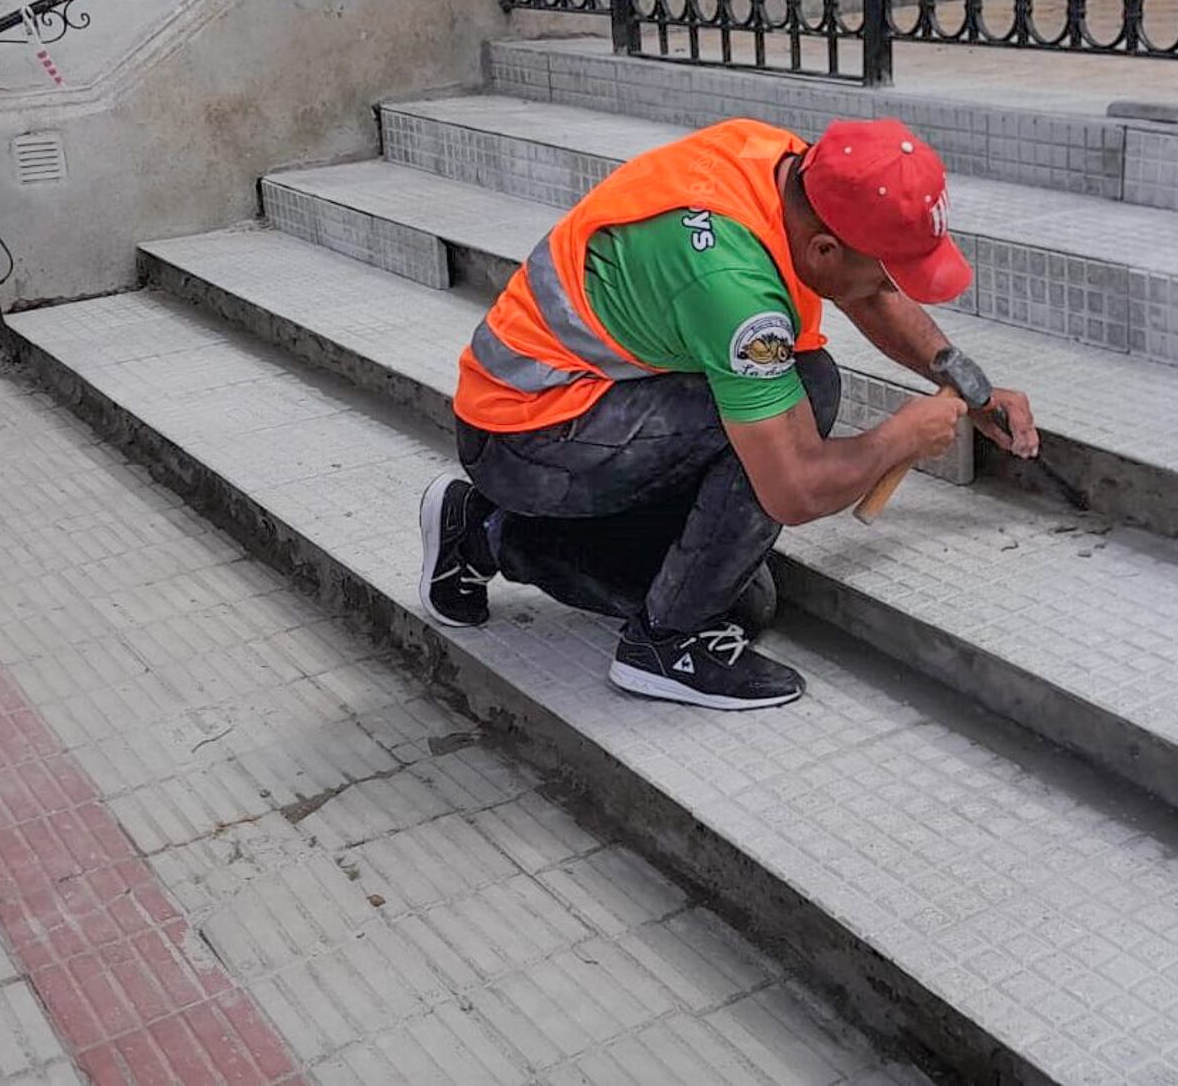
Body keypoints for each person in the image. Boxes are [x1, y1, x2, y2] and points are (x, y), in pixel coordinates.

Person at [418, 117, 1038, 710]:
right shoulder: (734, 290)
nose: (892, 289)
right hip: (529, 437)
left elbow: (866, 291)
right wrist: (902, 437)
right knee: (802, 397)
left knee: (748, 595)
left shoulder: (783, 165)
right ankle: (665, 646)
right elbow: (795, 489)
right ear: (824, 248)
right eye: (890, 273)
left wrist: (970, 387)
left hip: (570, 402)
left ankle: (479, 530)